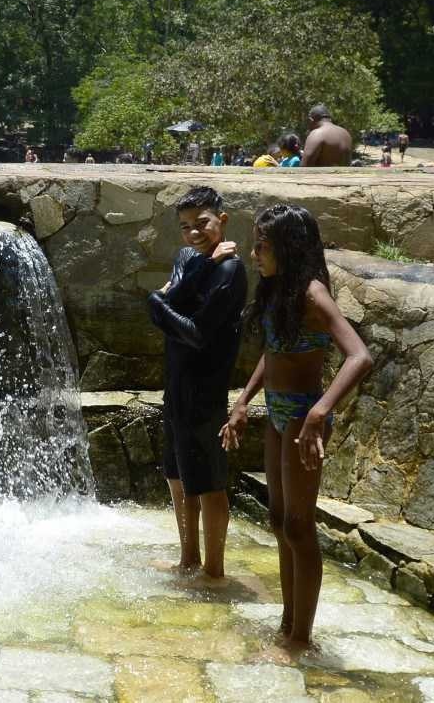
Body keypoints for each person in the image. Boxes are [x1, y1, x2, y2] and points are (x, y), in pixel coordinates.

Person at [222, 204, 372, 654]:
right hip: (278, 412)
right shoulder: (278, 292)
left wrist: (320, 412)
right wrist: (245, 399)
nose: (254, 254)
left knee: (300, 526)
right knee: (277, 519)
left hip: (305, 416)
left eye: (262, 246)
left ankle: (300, 640)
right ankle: (287, 625)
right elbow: (274, 352)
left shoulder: (312, 294)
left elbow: (359, 355)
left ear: (287, 246)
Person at [147, 188, 247, 581]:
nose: (194, 233)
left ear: (222, 221)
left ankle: (214, 570)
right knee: (177, 475)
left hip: (205, 388)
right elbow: (177, 296)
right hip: (175, 383)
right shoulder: (191, 259)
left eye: (202, 223)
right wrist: (171, 296)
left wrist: (157, 305)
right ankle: (188, 558)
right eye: (186, 227)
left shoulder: (231, 269)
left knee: (207, 482)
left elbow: (196, 333)